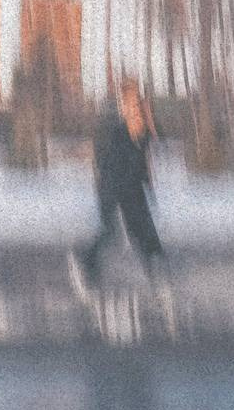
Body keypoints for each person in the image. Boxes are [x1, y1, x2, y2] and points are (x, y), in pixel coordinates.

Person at [70, 79, 166, 294]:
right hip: (112, 186)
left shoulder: (141, 126)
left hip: (131, 186)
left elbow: (149, 144)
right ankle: (85, 263)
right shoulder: (115, 130)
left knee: (142, 228)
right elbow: (106, 161)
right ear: (123, 104)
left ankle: (157, 266)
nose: (135, 110)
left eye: (137, 104)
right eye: (130, 104)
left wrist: (146, 123)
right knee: (111, 230)